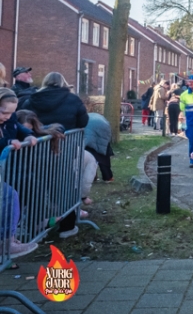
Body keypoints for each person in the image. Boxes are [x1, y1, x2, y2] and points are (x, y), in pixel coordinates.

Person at [19, 72, 89, 239]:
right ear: (63, 83)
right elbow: (83, 121)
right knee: (64, 187)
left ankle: (36, 227)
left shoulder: (32, 99)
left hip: (36, 151)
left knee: (36, 189)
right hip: (63, 149)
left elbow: (23, 119)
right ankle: (67, 227)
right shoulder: (73, 99)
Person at [0, 89, 39, 258]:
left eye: (11, 113)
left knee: (11, 196)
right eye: (4, 112)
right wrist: (8, 142)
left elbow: (19, 128)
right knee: (9, 196)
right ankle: (5, 243)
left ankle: (7, 241)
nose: (7, 116)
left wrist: (29, 136)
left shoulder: (10, 119)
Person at [82, 112, 114, 182]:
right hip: (103, 131)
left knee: (90, 157)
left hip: (89, 137)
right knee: (103, 157)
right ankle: (108, 177)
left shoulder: (84, 119)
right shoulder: (100, 119)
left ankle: (93, 177)